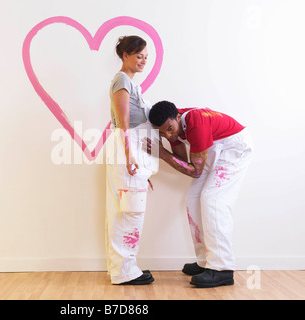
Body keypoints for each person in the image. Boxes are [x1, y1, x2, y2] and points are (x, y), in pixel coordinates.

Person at [144, 101, 253, 288]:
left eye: (170, 129)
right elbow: (185, 161)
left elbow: (193, 170)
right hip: (214, 148)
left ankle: (222, 268)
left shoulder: (196, 124)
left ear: (178, 116)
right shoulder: (172, 128)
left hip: (234, 147)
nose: (168, 135)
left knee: (214, 200)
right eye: (162, 133)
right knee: (193, 199)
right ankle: (206, 261)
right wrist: (167, 147)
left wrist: (162, 154)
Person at [105, 36, 158, 285]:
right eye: (139, 56)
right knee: (128, 211)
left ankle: (126, 267)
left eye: (146, 57)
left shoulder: (131, 83)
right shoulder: (122, 80)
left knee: (129, 208)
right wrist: (129, 157)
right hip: (126, 150)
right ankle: (124, 272)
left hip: (130, 151)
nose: (143, 61)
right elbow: (124, 123)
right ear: (125, 55)